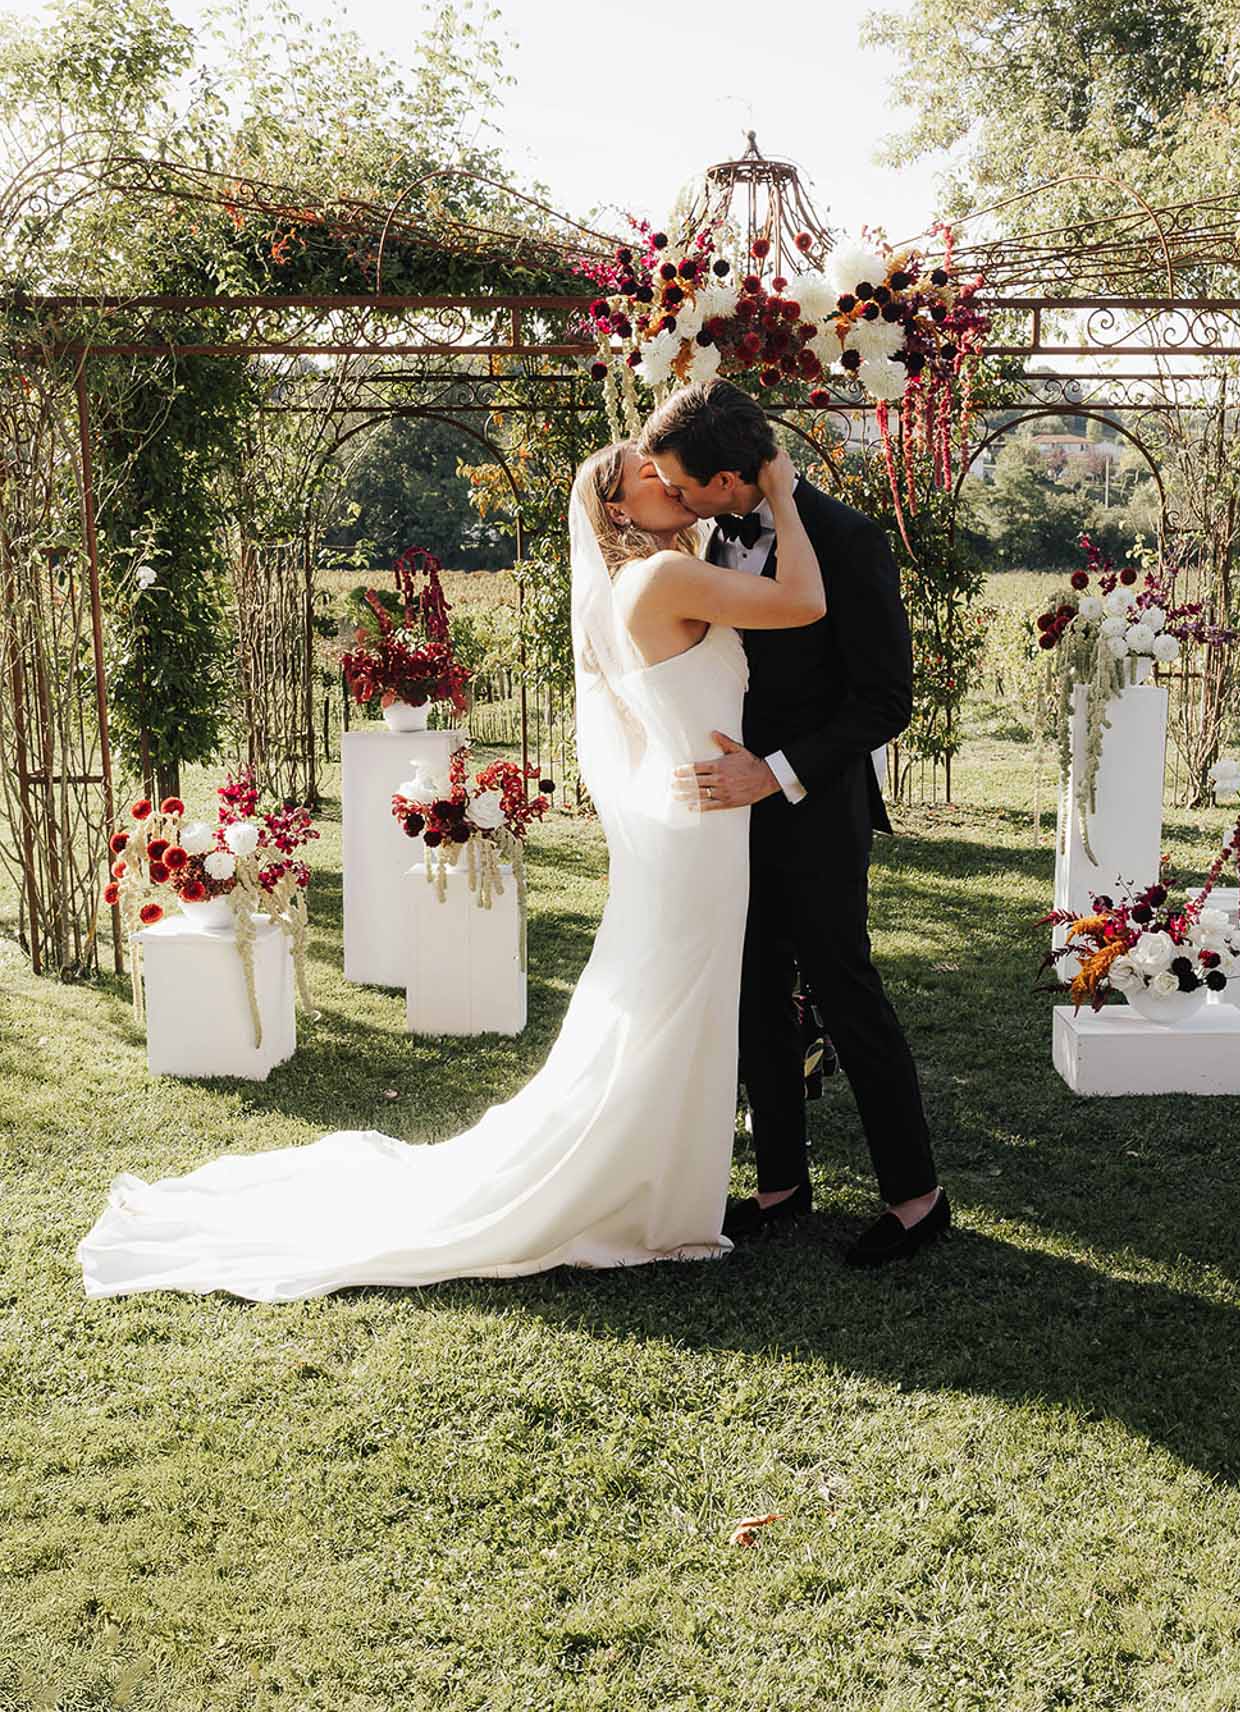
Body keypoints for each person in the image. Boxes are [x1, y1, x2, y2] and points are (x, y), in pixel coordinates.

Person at [77, 442, 823, 1302]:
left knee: (668, 1000)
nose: (668, 479)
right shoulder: (656, 581)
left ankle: (660, 1178)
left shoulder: (665, 570)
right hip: (697, 826)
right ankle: (638, 1187)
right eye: (645, 476)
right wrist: (781, 490)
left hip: (699, 814)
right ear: (616, 511)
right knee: (670, 1000)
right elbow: (802, 602)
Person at [641, 377, 949, 1270]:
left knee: (844, 991)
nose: (677, 500)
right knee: (753, 992)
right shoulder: (709, 536)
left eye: (687, 485)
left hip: (814, 808)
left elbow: (887, 699)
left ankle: (916, 1197)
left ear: (735, 479)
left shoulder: (850, 541)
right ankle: (781, 1184)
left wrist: (770, 774)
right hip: (731, 819)